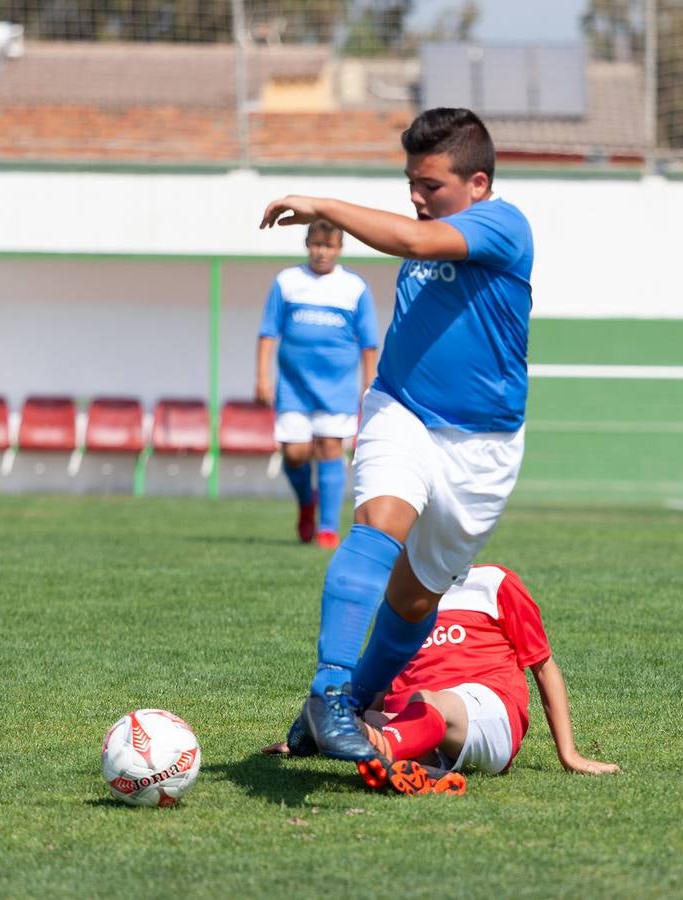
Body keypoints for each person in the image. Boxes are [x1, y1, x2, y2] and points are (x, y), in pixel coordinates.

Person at [259, 107, 534, 764]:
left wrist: (322, 203)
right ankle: (328, 693)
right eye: (411, 180)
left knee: (414, 599)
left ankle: (345, 706)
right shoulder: (424, 223)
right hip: (400, 407)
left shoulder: (505, 224)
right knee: (379, 525)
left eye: (431, 185)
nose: (416, 196)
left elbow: (413, 245)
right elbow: (411, 241)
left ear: (479, 184)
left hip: (483, 451)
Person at [264, 564, 621, 796]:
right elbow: (381, 679)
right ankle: (424, 773)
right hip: (414, 721)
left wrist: (569, 754)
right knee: (360, 715)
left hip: (486, 713)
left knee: (427, 701)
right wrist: (326, 733)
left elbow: (544, 667)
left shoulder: (494, 582)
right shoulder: (402, 596)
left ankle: (383, 751)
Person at [256, 220, 378, 549]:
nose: (322, 252)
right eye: (316, 245)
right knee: (294, 453)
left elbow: (368, 343)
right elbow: (268, 332)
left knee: (330, 448)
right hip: (294, 387)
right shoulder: (287, 282)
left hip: (336, 387)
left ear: (339, 249)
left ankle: (327, 527)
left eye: (329, 246)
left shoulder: (354, 287)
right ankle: (306, 502)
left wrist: (368, 385)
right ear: (307, 244)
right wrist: (262, 376)